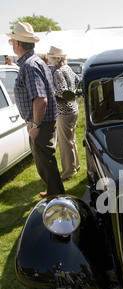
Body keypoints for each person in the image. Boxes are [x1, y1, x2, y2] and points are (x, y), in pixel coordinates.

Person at [7, 22, 65, 198]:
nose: (12, 44)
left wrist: (36, 126)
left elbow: (40, 100)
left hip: (41, 122)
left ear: (17, 43)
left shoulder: (30, 65)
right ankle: (54, 192)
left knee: (45, 161)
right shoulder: (35, 62)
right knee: (44, 160)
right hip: (42, 121)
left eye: (12, 41)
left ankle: (57, 198)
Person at [48, 46, 80, 181]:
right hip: (74, 108)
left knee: (64, 143)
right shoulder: (68, 68)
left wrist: (52, 91)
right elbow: (78, 81)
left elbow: (62, 91)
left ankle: (68, 171)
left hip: (64, 110)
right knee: (71, 140)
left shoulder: (58, 72)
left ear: (54, 58)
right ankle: (75, 165)